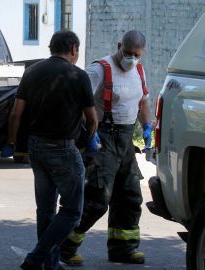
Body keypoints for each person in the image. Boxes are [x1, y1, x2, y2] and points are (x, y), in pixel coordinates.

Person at [3, 30, 98, 270]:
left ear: (51, 48)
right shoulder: (79, 76)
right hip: (64, 148)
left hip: (36, 147)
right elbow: (92, 119)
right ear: (74, 49)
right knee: (72, 211)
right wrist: (90, 141)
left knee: (45, 210)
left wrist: (12, 143)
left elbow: (16, 113)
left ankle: (50, 263)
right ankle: (37, 258)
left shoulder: (32, 72)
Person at [60, 30, 151, 265]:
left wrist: (148, 126)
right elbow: (78, 103)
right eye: (128, 53)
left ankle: (123, 249)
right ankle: (64, 247)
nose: (132, 58)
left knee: (130, 196)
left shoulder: (138, 70)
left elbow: (142, 102)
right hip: (103, 138)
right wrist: (88, 134)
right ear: (119, 45)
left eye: (136, 54)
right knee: (97, 198)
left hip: (126, 139)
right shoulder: (99, 69)